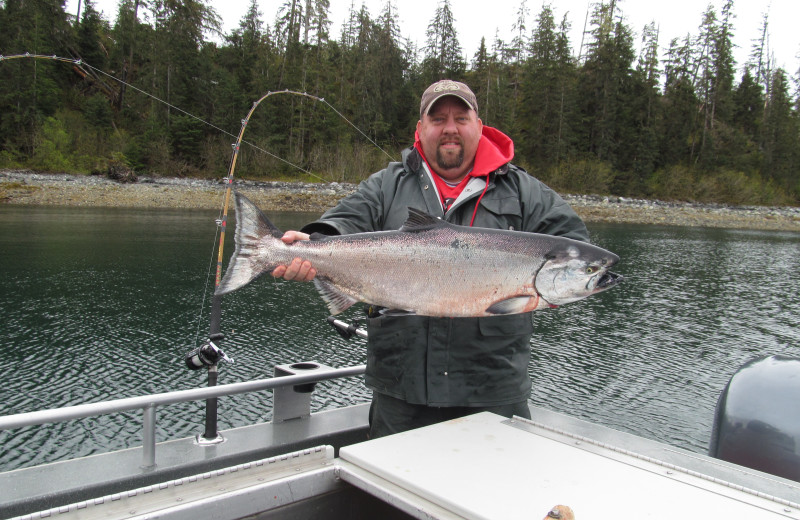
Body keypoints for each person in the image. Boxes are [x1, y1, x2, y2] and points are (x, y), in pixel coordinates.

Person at [271, 79, 590, 438]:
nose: (450, 128)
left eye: (460, 118)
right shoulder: (386, 185)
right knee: (391, 490)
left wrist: (553, 290)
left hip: (493, 387)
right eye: (437, 119)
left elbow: (572, 247)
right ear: (420, 129)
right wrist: (313, 246)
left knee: (490, 491)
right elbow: (345, 221)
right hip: (401, 386)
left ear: (480, 127)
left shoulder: (523, 191)